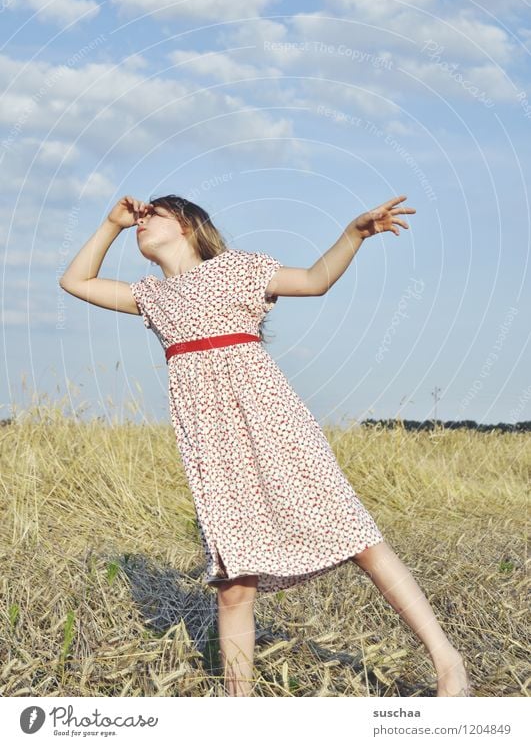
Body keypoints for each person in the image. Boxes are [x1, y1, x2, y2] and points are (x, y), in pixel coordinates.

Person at [59, 192, 471, 699]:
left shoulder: (238, 269)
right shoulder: (152, 297)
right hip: (212, 445)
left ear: (187, 225)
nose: (141, 222)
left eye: (152, 215)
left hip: (272, 421)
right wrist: (110, 223)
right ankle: (241, 711)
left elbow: (316, 281)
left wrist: (354, 234)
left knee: (356, 537)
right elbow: (74, 281)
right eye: (139, 218)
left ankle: (448, 663)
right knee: (234, 582)